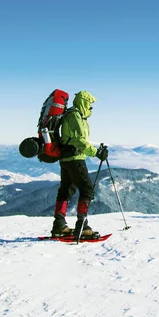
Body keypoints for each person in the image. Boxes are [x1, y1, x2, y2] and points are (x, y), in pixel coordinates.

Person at [50, 90, 109, 239]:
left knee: (66, 190)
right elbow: (79, 140)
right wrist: (96, 153)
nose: (91, 107)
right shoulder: (75, 115)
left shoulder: (76, 115)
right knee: (87, 189)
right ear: (84, 102)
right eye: (90, 103)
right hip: (75, 158)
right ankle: (82, 226)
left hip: (66, 158)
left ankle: (59, 225)